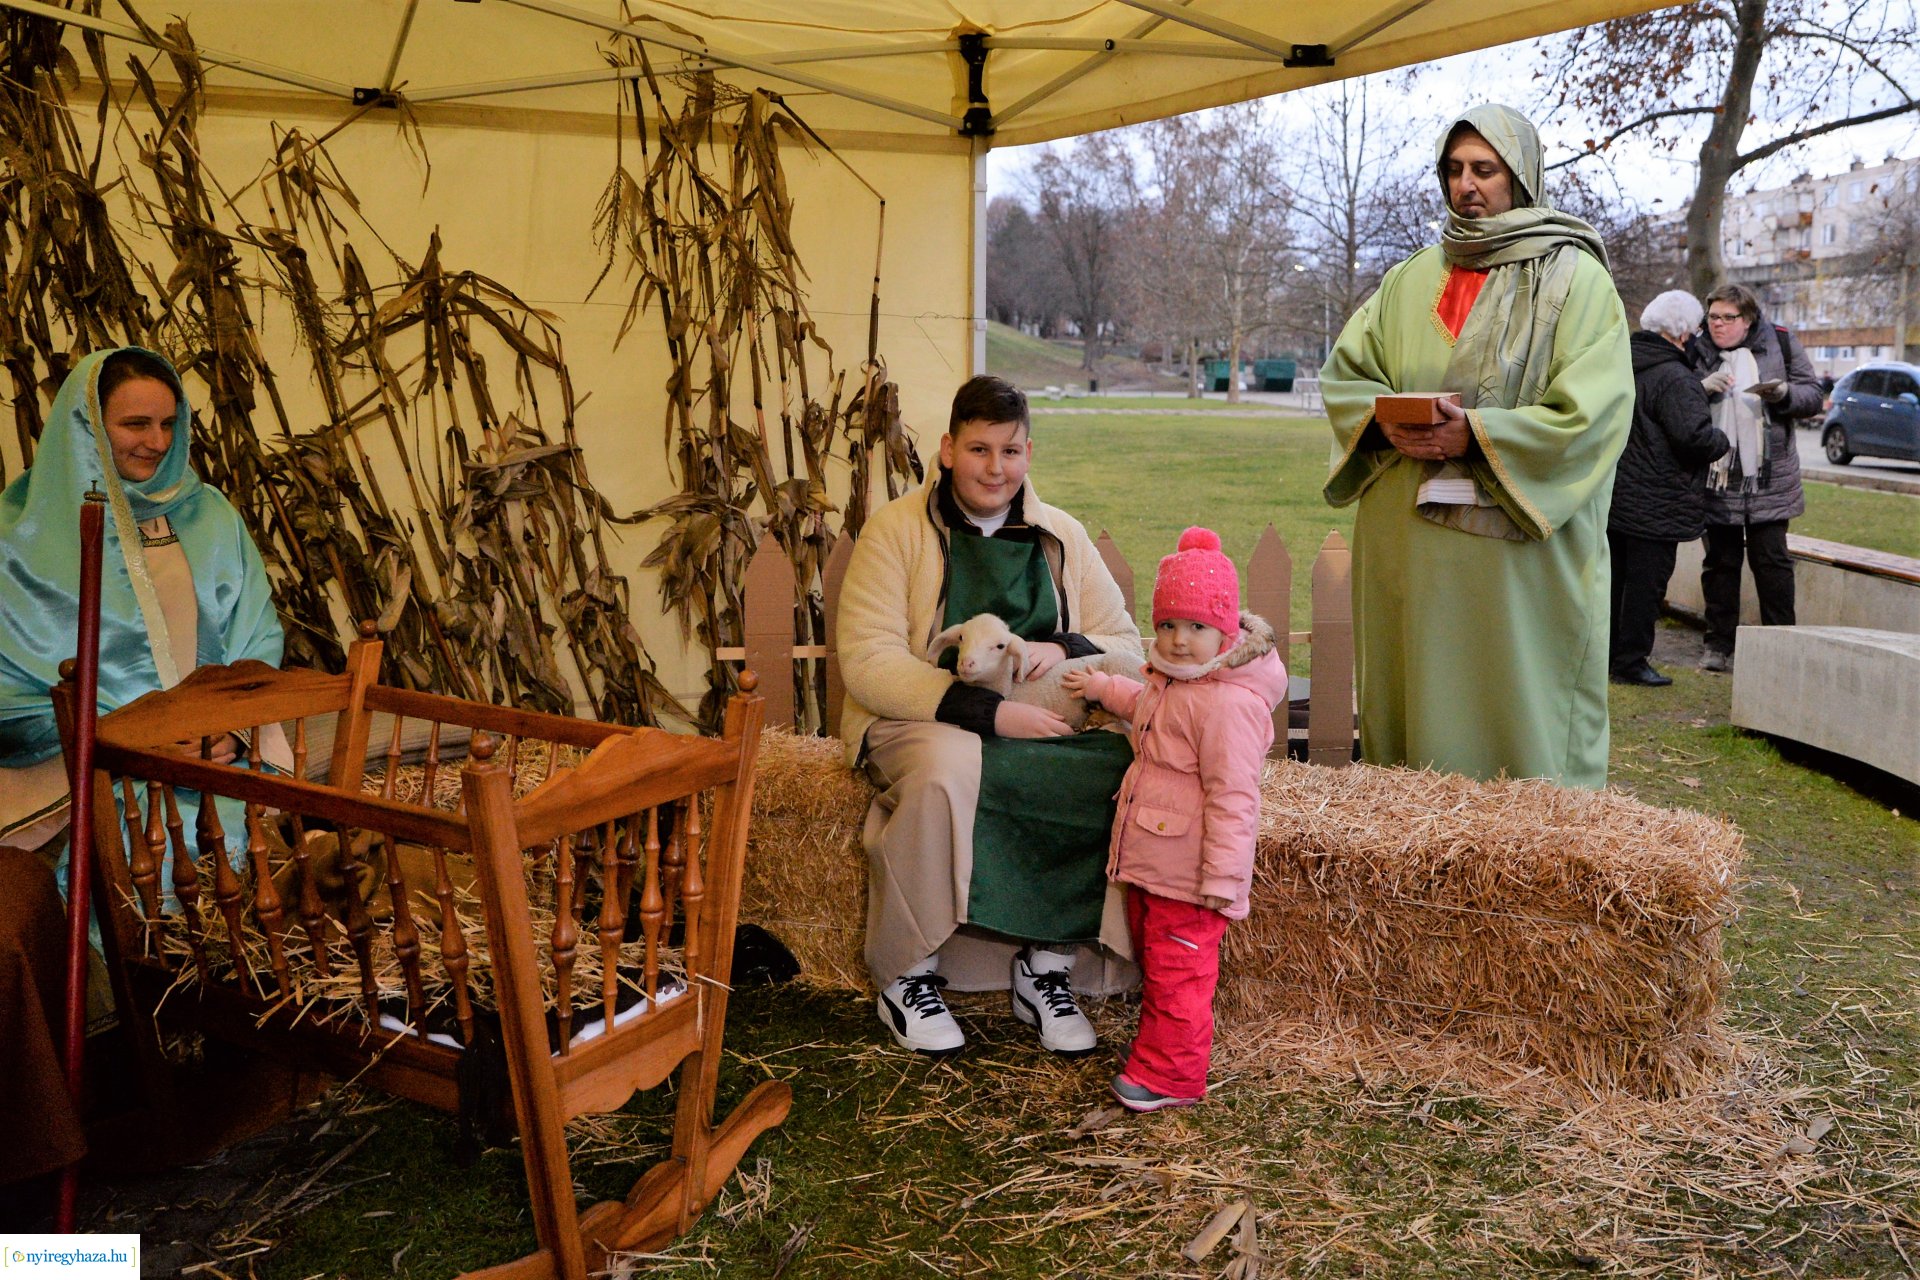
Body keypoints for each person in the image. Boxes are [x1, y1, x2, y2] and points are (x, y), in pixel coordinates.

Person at [0, 347, 285, 1216]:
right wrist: (97, 732)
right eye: (134, 423)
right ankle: (122, 1073)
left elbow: (256, 637)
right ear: (89, 425)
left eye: (168, 423)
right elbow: (7, 692)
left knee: (250, 864)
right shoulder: (20, 536)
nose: (156, 441)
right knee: (125, 879)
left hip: (211, 769)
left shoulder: (211, 515)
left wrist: (232, 726)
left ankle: (246, 1048)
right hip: (96, 775)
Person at [1319, 104, 1632, 788]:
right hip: (1409, 555)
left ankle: (1529, 844)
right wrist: (1385, 420)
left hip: (1515, 573)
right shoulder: (1407, 279)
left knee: (1514, 725)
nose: (1468, 185)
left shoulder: (1577, 281)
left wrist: (1480, 434)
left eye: (1484, 170)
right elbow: (1346, 375)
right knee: (1414, 720)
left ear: (1520, 177)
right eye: (1455, 170)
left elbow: (1595, 414)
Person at [837, 375, 1144, 1056]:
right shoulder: (894, 532)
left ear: (1028, 453)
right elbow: (867, 661)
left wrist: (1054, 647)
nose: (995, 468)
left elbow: (1126, 645)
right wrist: (990, 716)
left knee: (1116, 768)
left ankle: (1047, 968)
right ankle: (910, 974)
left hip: (1048, 716)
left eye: (1010, 451)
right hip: (922, 719)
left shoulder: (1060, 534)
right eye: (979, 450)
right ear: (947, 450)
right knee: (949, 768)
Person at [1061, 528, 1286, 1113]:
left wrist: (1222, 883)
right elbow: (1146, 709)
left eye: (1196, 627)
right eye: (1167, 625)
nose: (1179, 640)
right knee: (1161, 967)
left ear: (1225, 630)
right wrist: (1103, 686)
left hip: (1190, 877)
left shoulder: (1230, 706)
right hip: (1155, 866)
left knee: (1180, 978)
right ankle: (1159, 1058)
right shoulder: (1177, 683)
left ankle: (1172, 1077)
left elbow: (1236, 799)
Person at [1687, 283, 1821, 672]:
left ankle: (1782, 645)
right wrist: (1700, 389)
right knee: (1720, 564)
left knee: (1773, 564)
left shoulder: (1780, 342)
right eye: (1714, 317)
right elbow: (1676, 399)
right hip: (1718, 476)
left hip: (1770, 480)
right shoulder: (1697, 349)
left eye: (1729, 318)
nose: (1719, 325)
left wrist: (1783, 394)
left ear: (1748, 320)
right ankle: (1718, 646)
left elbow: (1813, 395)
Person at [1607, 291, 1731, 686]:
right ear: (1680, 334)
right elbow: (1692, 438)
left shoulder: (1621, 364)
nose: (1697, 336)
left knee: (1615, 581)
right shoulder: (1676, 378)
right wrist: (1722, 440)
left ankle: (1609, 654)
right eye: (1696, 328)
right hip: (1657, 501)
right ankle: (1631, 662)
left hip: (1618, 495)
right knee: (1646, 586)